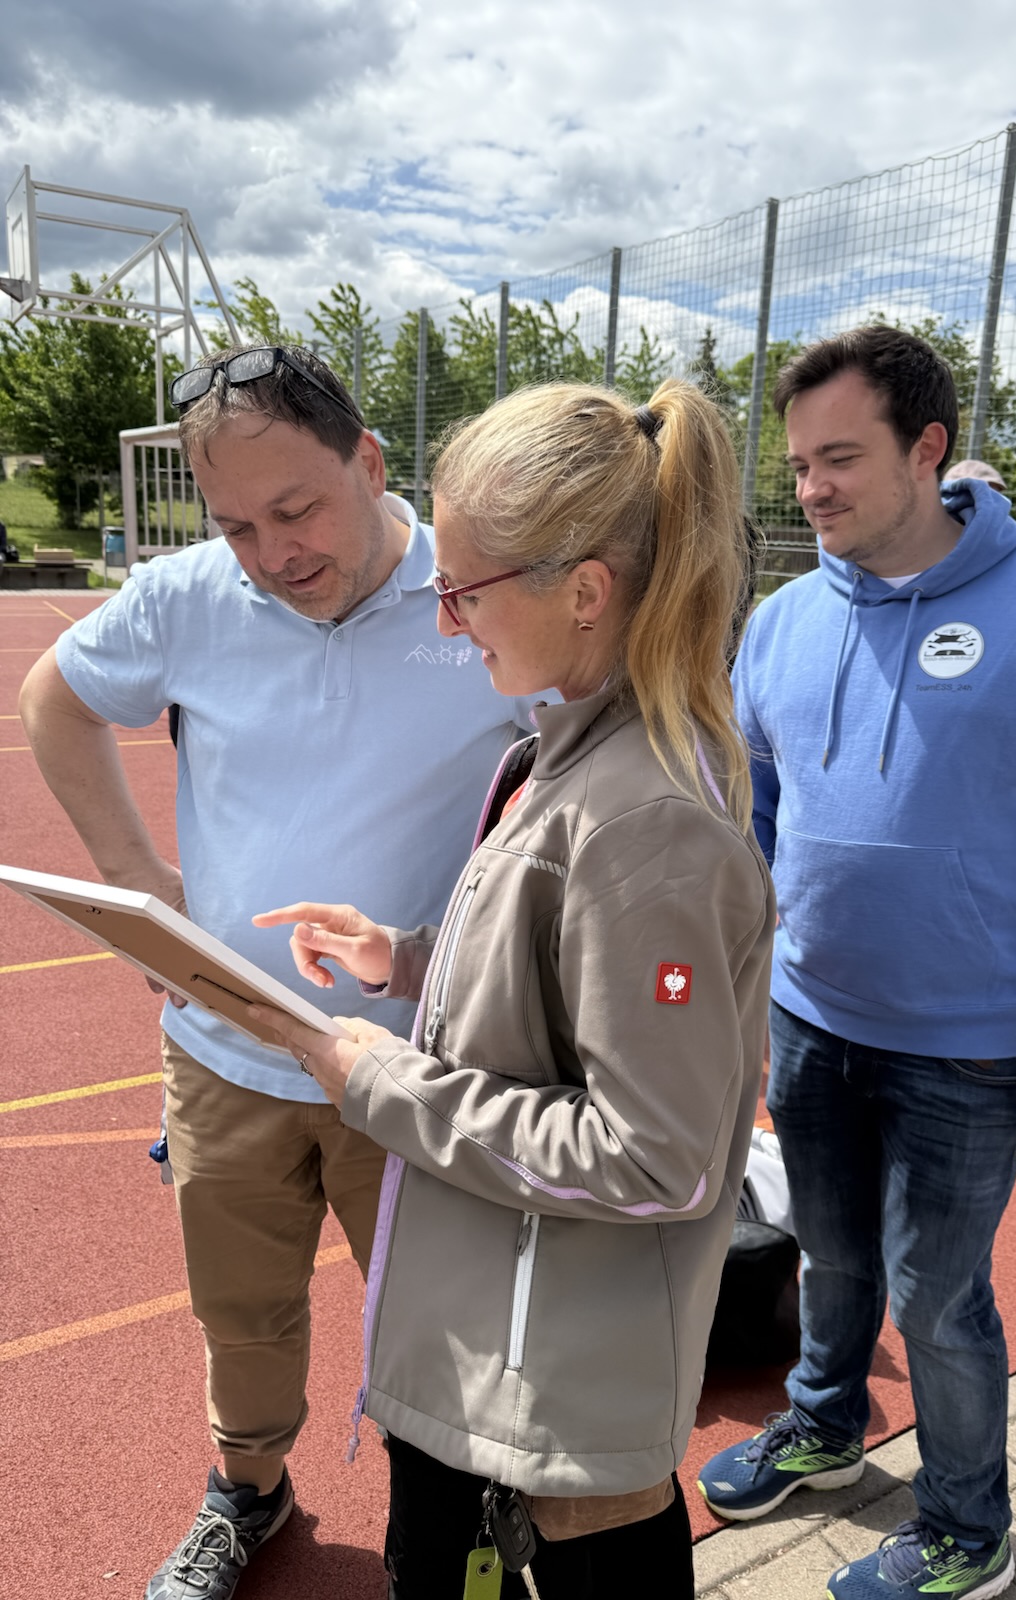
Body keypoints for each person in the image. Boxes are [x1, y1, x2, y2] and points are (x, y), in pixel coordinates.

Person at [18, 344, 542, 1600]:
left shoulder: (472, 590)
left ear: (370, 461)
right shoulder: (187, 596)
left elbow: (589, 762)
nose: (271, 552)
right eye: (236, 524)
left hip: (413, 1067)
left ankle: (463, 1532)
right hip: (225, 1051)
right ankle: (248, 1491)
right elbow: (54, 698)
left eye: (296, 509)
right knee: (240, 1312)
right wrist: (134, 873)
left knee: (444, 1333)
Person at [247, 377, 776, 1599]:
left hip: (548, 1432)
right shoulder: (566, 751)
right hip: (493, 1374)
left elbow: (657, 1157)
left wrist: (382, 1080)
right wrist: (405, 957)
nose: (444, 619)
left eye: (464, 590)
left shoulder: (647, 819)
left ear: (585, 590)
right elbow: (558, 983)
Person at [697, 325, 1016, 1600]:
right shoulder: (784, 619)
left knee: (937, 1296)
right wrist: (740, 981)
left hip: (970, 1042)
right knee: (830, 1253)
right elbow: (752, 817)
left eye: (841, 458)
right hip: (811, 1017)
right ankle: (825, 1427)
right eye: (799, 464)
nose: (812, 488)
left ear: (928, 449)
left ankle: (967, 1527)